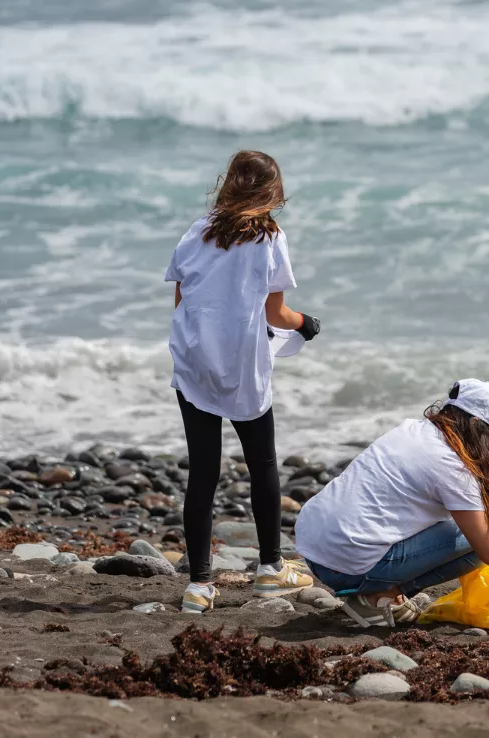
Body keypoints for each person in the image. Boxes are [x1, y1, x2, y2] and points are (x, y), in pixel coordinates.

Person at [295, 378, 489, 627]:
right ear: (477, 425)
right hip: (343, 565)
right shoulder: (453, 468)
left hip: (314, 546)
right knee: (474, 542)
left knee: (458, 528)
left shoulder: (409, 429)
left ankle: (380, 591)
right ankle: (376, 597)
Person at [164, 150, 322, 614]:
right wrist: (305, 323)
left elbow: (180, 297)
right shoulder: (269, 238)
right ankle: (270, 570)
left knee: (204, 471)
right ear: (271, 192)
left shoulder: (198, 231)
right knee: (263, 463)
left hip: (195, 361)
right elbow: (276, 313)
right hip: (240, 365)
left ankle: (198, 585)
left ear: (229, 184)